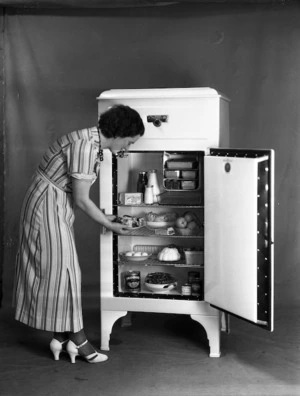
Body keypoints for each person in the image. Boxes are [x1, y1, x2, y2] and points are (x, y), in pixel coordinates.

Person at [13, 104, 145, 364]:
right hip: (47, 205)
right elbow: (83, 200)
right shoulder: (86, 146)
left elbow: (78, 196)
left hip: (54, 201)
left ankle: (61, 338)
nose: (128, 147)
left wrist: (106, 217)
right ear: (119, 133)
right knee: (64, 270)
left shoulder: (89, 140)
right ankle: (79, 340)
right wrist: (110, 225)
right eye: (129, 141)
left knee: (61, 271)